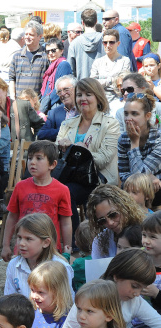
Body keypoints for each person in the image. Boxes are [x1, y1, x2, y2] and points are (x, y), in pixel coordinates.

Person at [57, 78, 119, 234]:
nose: (82, 98)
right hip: (70, 177)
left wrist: (81, 152)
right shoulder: (67, 124)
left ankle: (76, 239)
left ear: (98, 97)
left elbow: (104, 158)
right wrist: (61, 149)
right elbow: (55, 156)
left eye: (88, 94)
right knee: (58, 189)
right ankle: (65, 239)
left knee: (65, 191)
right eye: (79, 95)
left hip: (98, 178)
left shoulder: (110, 123)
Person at [2, 140, 72, 260]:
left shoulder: (62, 190)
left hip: (49, 249)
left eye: (39, 158)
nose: (32, 162)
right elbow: (12, 217)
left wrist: (67, 249)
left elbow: (66, 222)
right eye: (30, 158)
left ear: (52, 164)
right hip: (23, 248)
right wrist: (6, 245)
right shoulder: (20, 187)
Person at [26, 260, 73, 328]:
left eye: (41, 292)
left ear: (58, 293)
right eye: (32, 290)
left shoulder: (65, 318)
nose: (34, 296)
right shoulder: (33, 310)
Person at [86, 185, 145, 259]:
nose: (110, 223)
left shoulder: (146, 231)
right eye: (102, 220)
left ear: (124, 207)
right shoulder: (100, 241)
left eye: (113, 215)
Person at [90, 29, 132, 104]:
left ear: (118, 43)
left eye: (111, 42)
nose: (108, 45)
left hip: (119, 101)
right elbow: (93, 83)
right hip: (101, 101)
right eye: (105, 43)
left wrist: (103, 81)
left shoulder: (125, 60)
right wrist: (112, 80)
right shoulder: (98, 62)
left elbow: (122, 82)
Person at [9, 22, 49, 99]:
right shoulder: (17, 56)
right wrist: (13, 99)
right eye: (26, 34)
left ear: (40, 36)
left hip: (38, 103)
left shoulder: (46, 55)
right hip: (20, 103)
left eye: (31, 35)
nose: (27, 37)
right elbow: (11, 79)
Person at [37, 75, 78, 141]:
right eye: (59, 92)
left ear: (76, 89)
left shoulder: (84, 110)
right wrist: (64, 131)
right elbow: (41, 134)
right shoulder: (54, 113)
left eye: (66, 89)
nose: (62, 94)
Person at [67, 9, 104, 79]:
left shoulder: (74, 43)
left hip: (82, 86)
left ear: (82, 22)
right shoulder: (106, 40)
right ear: (96, 21)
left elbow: (71, 70)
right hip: (101, 86)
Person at [40, 38, 73, 113]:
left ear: (61, 51)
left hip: (58, 106)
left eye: (53, 50)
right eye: (48, 51)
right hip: (51, 106)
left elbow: (60, 89)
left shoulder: (63, 64)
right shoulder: (52, 66)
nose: (50, 53)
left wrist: (45, 105)